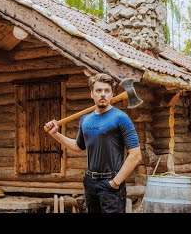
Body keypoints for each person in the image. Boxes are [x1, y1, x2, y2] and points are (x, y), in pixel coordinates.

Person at [45, 73, 142, 213]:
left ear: (111, 94)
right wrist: (55, 134)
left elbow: (136, 154)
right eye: (98, 90)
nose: (103, 94)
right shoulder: (85, 119)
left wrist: (115, 183)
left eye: (106, 91)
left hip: (111, 183)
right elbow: (78, 147)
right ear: (92, 94)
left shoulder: (121, 118)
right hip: (90, 182)